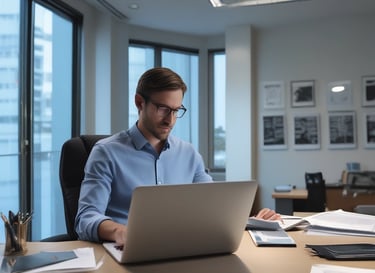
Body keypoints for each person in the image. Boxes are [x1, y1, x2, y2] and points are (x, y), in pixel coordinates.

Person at [75, 67, 280, 245]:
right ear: (139, 102)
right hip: (126, 251)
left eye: (176, 110)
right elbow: (85, 219)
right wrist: (120, 231)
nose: (170, 120)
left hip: (182, 249)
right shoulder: (106, 152)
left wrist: (254, 220)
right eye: (163, 109)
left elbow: (214, 207)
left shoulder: (189, 153)